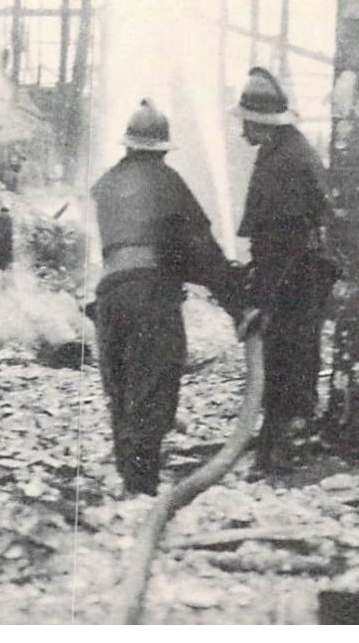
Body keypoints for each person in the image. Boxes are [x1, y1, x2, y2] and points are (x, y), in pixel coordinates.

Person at [90, 99, 248, 496]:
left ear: (128, 144)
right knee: (153, 386)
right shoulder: (168, 182)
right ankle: (143, 492)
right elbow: (198, 251)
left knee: (122, 391)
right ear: (162, 149)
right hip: (150, 298)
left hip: (109, 296)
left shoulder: (107, 184)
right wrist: (237, 302)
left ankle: (129, 479)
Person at [229, 67, 335, 473]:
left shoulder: (283, 161)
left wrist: (260, 299)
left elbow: (282, 238)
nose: (243, 133)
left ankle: (281, 450)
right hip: (300, 274)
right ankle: (281, 443)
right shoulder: (287, 150)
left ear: (262, 122)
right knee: (296, 355)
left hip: (295, 276)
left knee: (286, 358)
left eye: (247, 124)